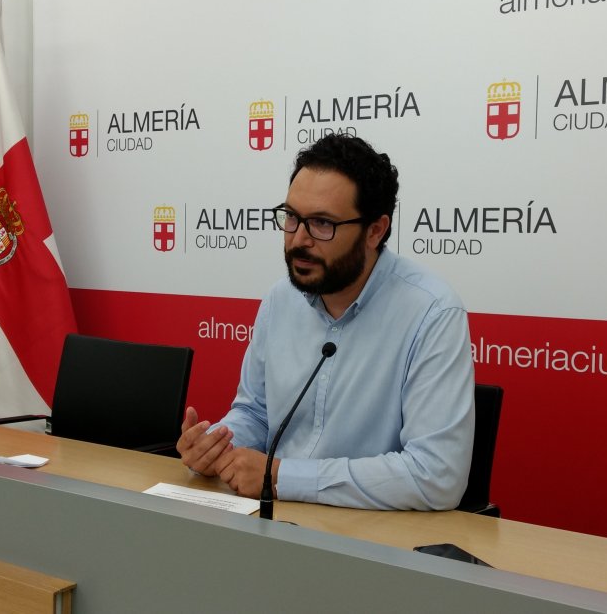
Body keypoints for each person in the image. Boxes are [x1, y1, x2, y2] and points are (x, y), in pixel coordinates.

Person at [177, 134, 475, 510]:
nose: (298, 240)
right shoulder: (280, 300)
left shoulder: (431, 312)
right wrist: (220, 445)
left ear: (375, 230)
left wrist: (281, 477)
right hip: (273, 517)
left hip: (371, 532)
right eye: (291, 217)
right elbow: (256, 412)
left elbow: (436, 475)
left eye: (321, 223)